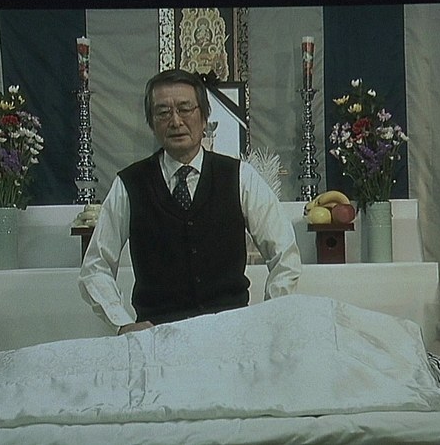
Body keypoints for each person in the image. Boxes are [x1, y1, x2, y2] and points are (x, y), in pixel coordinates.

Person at [79, 69, 302, 335]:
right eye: (163, 112)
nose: (175, 121)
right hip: (157, 339)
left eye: (185, 109)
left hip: (231, 335)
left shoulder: (240, 177)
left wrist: (269, 316)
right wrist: (122, 323)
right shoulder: (130, 184)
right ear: (151, 122)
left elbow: (285, 254)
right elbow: (95, 266)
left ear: (204, 116)